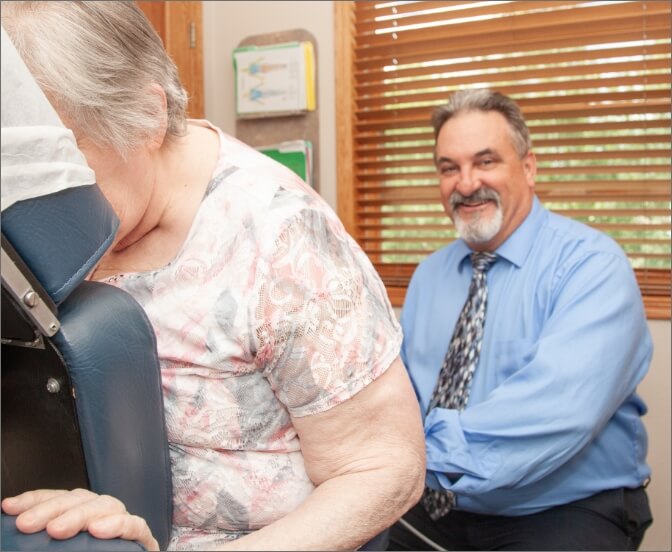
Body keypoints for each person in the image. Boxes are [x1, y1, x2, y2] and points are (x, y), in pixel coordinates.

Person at [0, 2, 426, 550]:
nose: (35, 190)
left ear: (147, 117)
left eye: (60, 154)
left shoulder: (281, 238)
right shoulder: (32, 221)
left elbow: (383, 469)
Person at [388, 89, 654, 551]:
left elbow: (556, 416)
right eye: (449, 168)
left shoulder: (591, 265)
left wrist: (407, 456)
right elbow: (400, 400)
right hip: (435, 501)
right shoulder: (428, 276)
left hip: (560, 508)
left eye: (485, 161)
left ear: (528, 168)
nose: (466, 184)